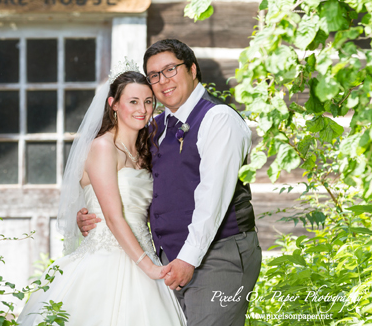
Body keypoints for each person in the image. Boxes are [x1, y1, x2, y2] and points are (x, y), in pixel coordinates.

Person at [77, 39, 262, 325]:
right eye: (154, 75)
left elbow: (213, 198)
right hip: (165, 261)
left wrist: (188, 259)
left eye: (170, 70)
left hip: (218, 254)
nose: (163, 81)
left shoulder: (219, 119)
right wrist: (93, 212)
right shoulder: (155, 127)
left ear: (192, 70)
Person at [17, 68, 186, 325]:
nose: (142, 109)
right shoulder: (102, 146)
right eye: (133, 101)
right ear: (113, 104)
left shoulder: (146, 151)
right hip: (108, 258)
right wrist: (149, 268)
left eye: (148, 101)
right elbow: (112, 216)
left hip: (144, 252)